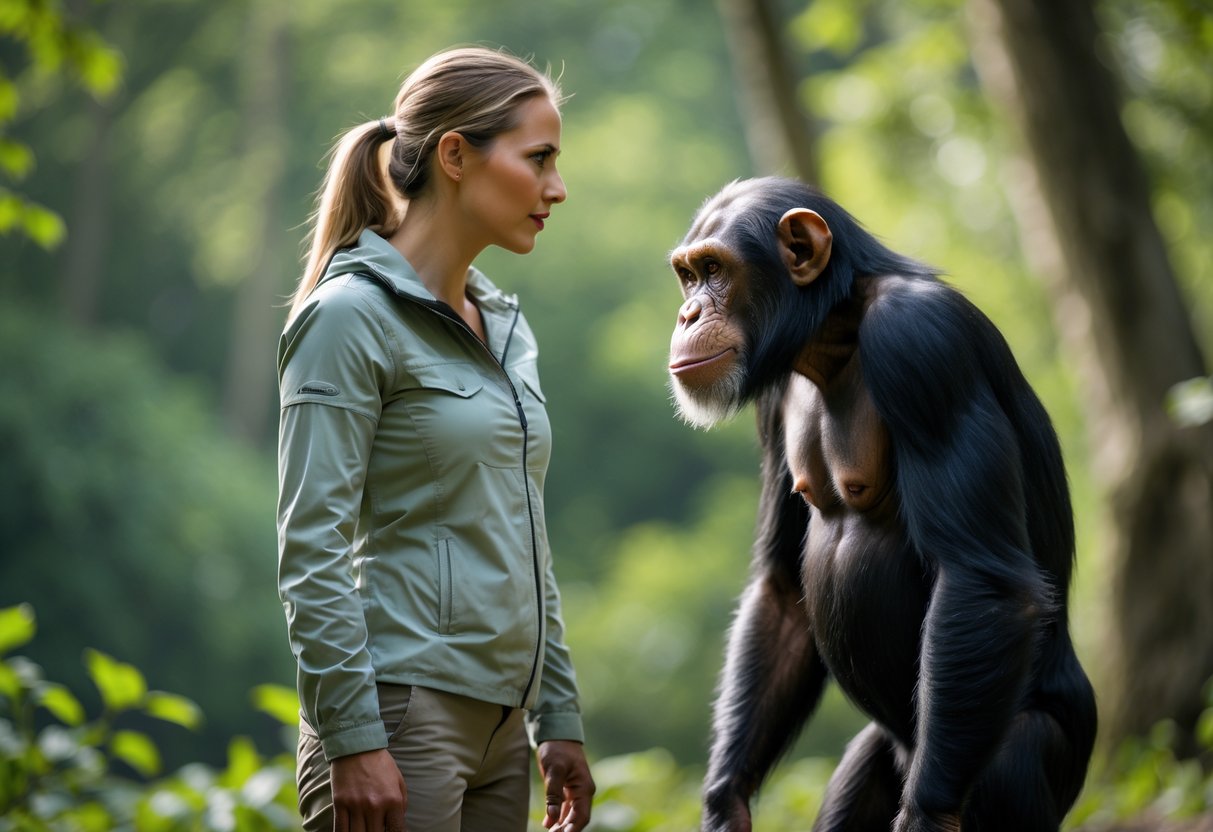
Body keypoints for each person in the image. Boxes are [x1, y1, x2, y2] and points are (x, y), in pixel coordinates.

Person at [276, 46, 594, 832]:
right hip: (398, 718)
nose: (557, 187)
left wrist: (557, 713)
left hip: (502, 731)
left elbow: (524, 535)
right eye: (539, 158)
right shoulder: (347, 317)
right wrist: (354, 738)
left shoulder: (505, 327)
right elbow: (310, 546)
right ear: (455, 155)